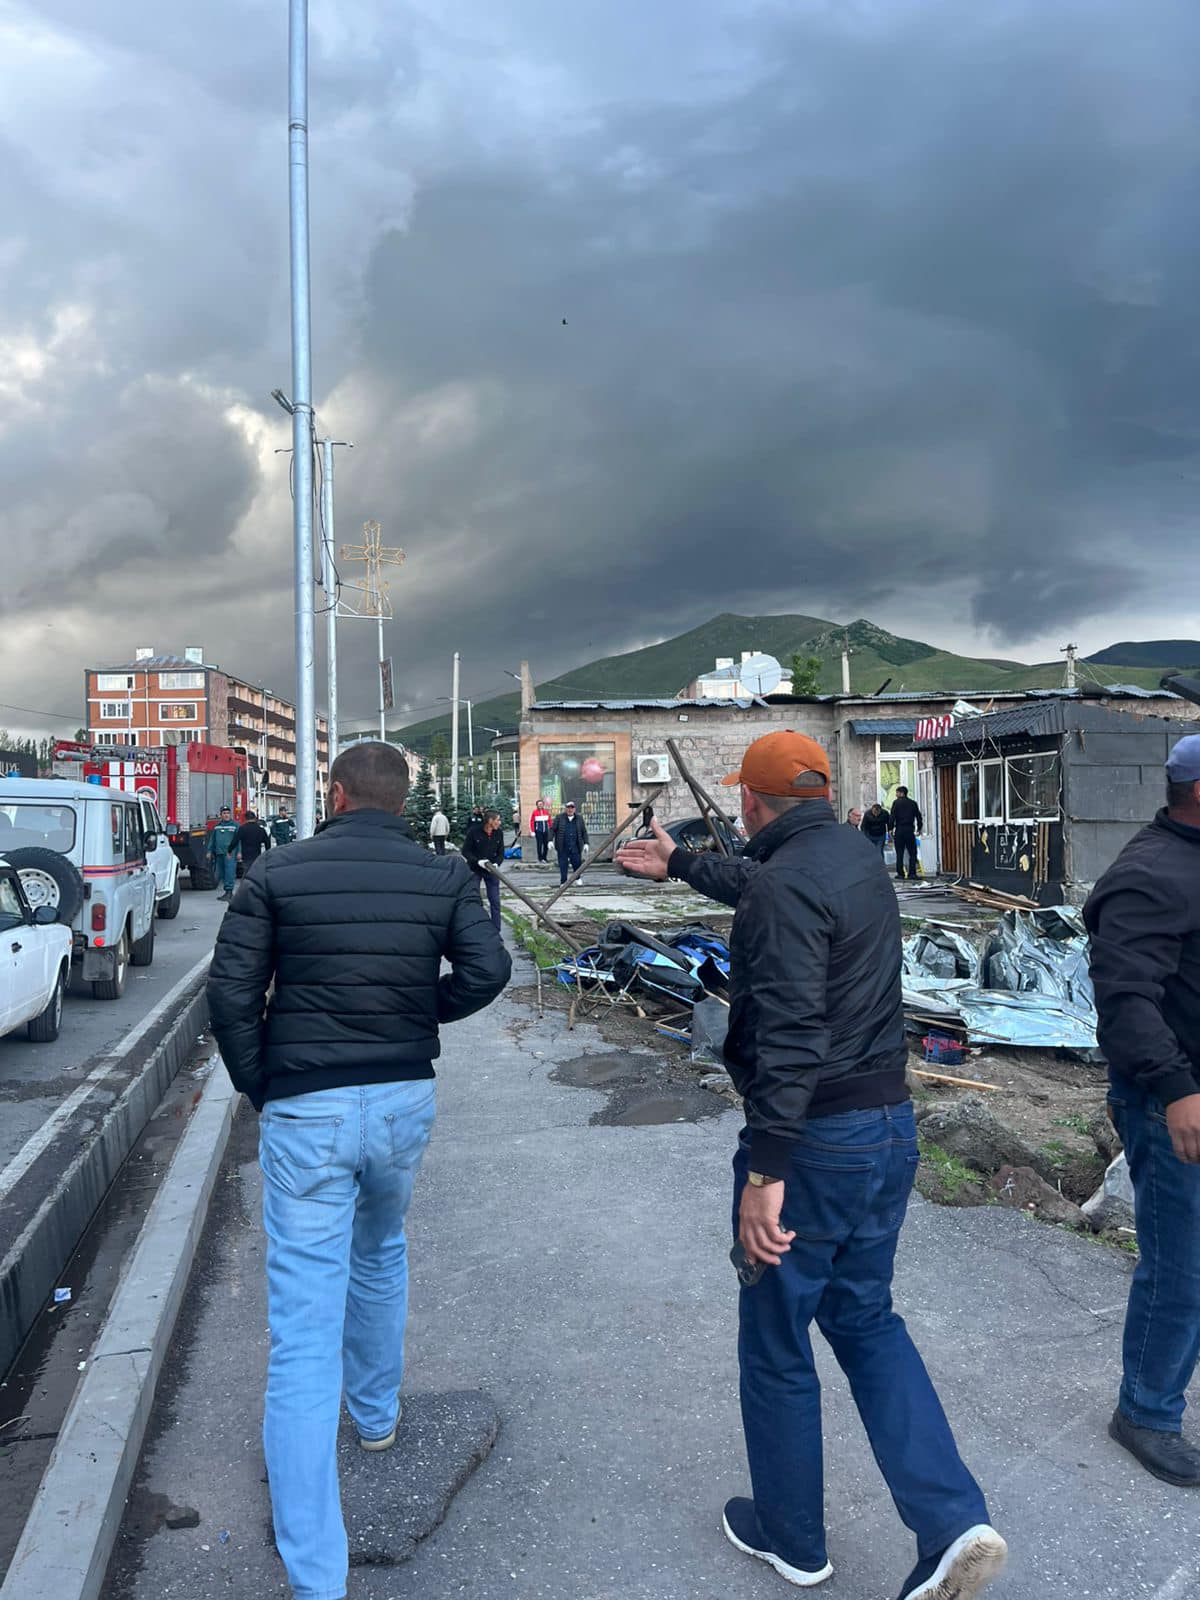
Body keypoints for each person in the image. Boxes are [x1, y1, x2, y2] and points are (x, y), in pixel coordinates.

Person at [617, 730, 1005, 1600]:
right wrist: (682, 865)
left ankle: (792, 1536)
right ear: (823, 795)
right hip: (888, 1127)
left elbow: (790, 1032)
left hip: (816, 1142)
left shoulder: (784, 882)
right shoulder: (856, 856)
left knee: (777, 1336)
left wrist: (767, 1173)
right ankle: (953, 1521)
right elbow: (764, 884)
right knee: (866, 1320)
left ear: (750, 802)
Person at [206, 740, 511, 1600]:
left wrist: (263, 1085)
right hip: (403, 1100)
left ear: (335, 794)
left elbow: (230, 995)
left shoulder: (276, 872)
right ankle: (376, 1417)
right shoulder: (442, 874)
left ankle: (317, 1576)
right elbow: (489, 969)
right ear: (401, 800)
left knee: (302, 1331)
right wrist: (421, 1011)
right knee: (380, 1251)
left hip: (308, 1106)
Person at [1084, 733, 1200, 1487]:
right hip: (1174, 1103)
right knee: (1181, 1267)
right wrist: (1177, 1088)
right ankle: (1146, 1413)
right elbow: (1126, 1000)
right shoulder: (1150, 875)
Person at [463, 807, 505, 930]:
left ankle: (496, 930)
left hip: (491, 870)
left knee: (495, 901)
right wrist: (477, 861)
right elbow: (465, 851)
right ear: (490, 821)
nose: (499, 822)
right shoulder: (474, 831)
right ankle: (477, 928)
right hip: (475, 869)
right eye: (498, 820)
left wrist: (497, 864)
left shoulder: (499, 833)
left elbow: (501, 852)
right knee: (475, 899)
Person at [206, 805, 240, 901]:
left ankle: (229, 892)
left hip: (230, 853)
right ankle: (226, 892)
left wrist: (239, 852)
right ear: (221, 815)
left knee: (230, 872)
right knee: (222, 873)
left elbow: (239, 840)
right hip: (219, 853)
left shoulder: (235, 826)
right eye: (224, 813)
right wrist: (209, 851)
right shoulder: (217, 827)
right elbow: (212, 840)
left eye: (228, 813)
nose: (226, 815)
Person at [551, 799, 589, 884]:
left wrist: (586, 843)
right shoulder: (559, 817)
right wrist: (550, 840)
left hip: (576, 846)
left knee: (577, 863)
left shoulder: (579, 818)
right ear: (566, 809)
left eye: (572, 808)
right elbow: (552, 829)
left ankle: (577, 878)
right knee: (563, 865)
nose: (570, 809)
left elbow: (584, 832)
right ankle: (563, 882)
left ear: (574, 809)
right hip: (562, 846)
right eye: (568, 807)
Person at [890, 787, 923, 881]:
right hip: (909, 830)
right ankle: (912, 873)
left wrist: (890, 828)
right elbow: (918, 816)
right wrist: (919, 828)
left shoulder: (896, 803)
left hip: (899, 830)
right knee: (912, 853)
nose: (896, 795)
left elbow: (892, 816)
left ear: (901, 793)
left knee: (899, 853)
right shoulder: (913, 803)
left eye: (897, 793)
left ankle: (900, 874)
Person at [232, 810, 272, 874]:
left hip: (246, 856)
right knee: (256, 872)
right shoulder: (260, 829)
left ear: (246, 819)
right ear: (255, 818)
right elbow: (267, 842)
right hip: (257, 855)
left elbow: (235, 841)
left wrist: (229, 850)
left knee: (247, 873)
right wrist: (267, 853)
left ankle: (247, 880)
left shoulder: (242, 829)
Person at [529, 797, 553, 863]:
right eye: (539, 804)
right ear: (537, 805)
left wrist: (551, 828)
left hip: (546, 831)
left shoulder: (546, 812)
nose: (540, 805)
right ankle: (540, 858)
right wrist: (532, 831)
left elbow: (549, 821)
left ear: (543, 805)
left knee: (546, 845)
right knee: (539, 845)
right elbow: (532, 822)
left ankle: (544, 858)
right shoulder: (534, 812)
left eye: (541, 804)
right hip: (538, 831)